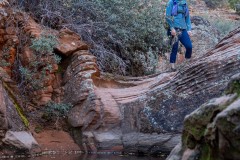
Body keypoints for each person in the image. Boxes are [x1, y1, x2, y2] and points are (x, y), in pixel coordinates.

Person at [165, 0, 193, 71]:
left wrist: (189, 29)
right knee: (174, 48)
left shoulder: (184, 3)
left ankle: (186, 64)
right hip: (174, 30)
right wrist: (172, 28)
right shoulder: (171, 2)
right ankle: (172, 67)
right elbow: (168, 17)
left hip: (183, 29)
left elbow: (187, 18)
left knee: (189, 46)